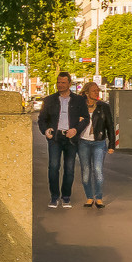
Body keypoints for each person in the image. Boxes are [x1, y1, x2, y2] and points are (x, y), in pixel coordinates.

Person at [36, 72, 89, 208]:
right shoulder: (49, 100)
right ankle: (54, 197)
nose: (60, 85)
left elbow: (86, 118)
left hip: (70, 138)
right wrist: (46, 130)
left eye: (63, 83)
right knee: (53, 167)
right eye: (58, 82)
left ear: (69, 84)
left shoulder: (78, 100)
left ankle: (66, 197)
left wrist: (76, 130)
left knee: (69, 168)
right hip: (55, 137)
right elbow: (42, 119)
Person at [80, 81, 117, 208]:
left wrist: (112, 144)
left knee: (98, 170)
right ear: (86, 93)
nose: (97, 93)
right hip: (83, 142)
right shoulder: (80, 106)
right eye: (94, 90)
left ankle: (99, 198)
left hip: (99, 142)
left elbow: (110, 126)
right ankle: (89, 197)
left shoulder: (103, 107)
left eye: (97, 90)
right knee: (85, 172)